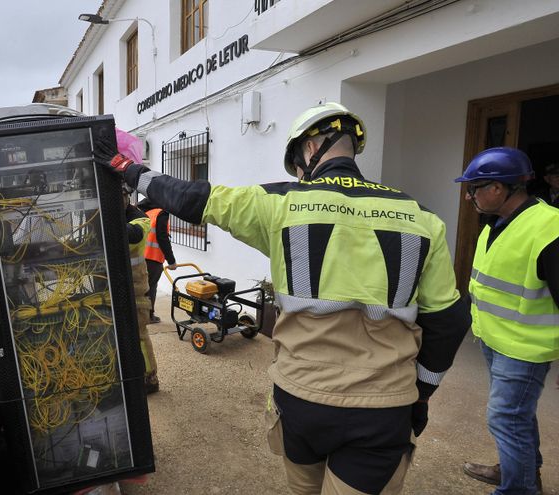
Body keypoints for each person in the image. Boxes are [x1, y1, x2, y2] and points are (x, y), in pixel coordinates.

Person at [100, 102, 470, 494]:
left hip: (300, 400)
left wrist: (128, 169)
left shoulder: (280, 204)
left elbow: (192, 198)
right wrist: (421, 393)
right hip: (383, 410)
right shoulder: (422, 218)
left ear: (309, 150)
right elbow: (449, 321)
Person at [455, 147, 559, 495]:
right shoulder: (497, 224)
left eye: (474, 188)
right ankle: (524, 473)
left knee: (505, 417)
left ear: (498, 188)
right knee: (517, 415)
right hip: (495, 340)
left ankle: (519, 488)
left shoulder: (549, 227)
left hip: (525, 349)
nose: (469, 196)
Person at [124, 186, 160, 394]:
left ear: (126, 197)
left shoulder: (140, 218)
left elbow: (134, 235)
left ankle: (150, 378)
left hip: (136, 291)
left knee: (139, 334)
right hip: (115, 287)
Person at [136, 197, 177, 323]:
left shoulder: (140, 211)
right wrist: (171, 261)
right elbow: (162, 237)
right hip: (153, 258)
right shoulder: (161, 213)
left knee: (140, 286)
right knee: (150, 287)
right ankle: (148, 316)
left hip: (138, 255)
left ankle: (137, 314)